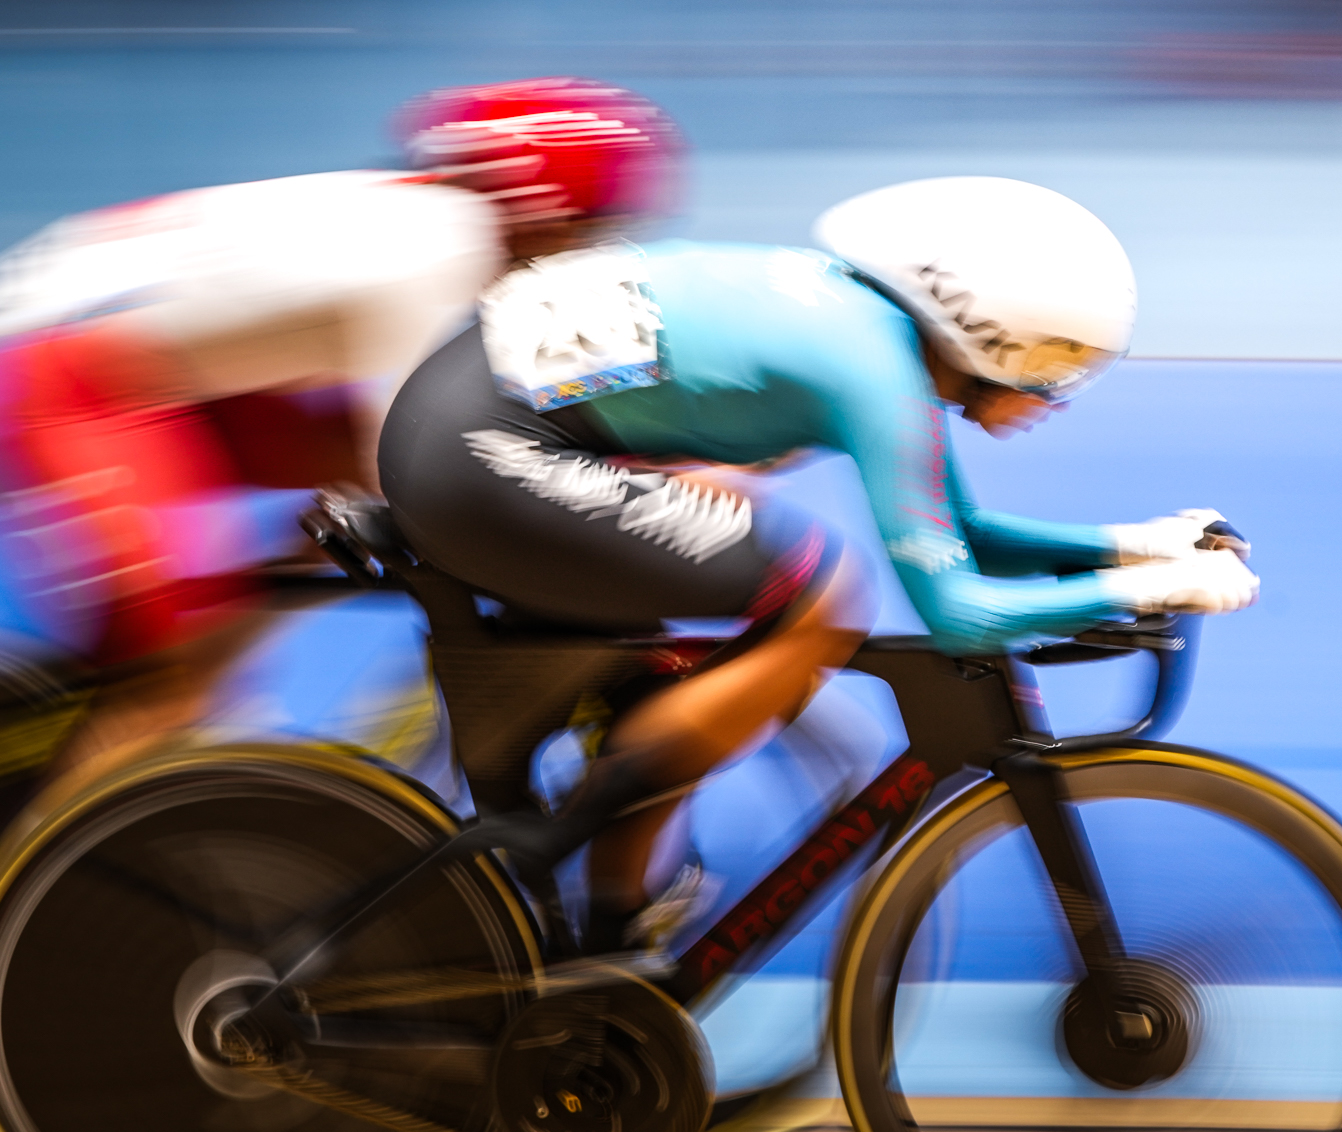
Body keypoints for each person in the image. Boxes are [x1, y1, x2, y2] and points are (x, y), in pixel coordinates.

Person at [375, 175, 1260, 957]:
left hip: (481, 429)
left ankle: (603, 949)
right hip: (481, 453)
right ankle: (558, 838)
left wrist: (1133, 546)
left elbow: (967, 532)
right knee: (821, 593)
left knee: (711, 651)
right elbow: (955, 610)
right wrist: (1153, 587)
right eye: (1053, 367)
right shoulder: (870, 368)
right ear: (987, 333)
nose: (1056, 399)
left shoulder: (872, 333)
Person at [0, 78, 683, 791]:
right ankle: (58, 857)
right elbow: (427, 459)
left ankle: (204, 655)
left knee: (349, 477)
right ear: (544, 211)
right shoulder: (438, 248)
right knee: (164, 675)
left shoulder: (431, 218)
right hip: (67, 380)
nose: (589, 251)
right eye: (591, 228)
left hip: (161, 372)